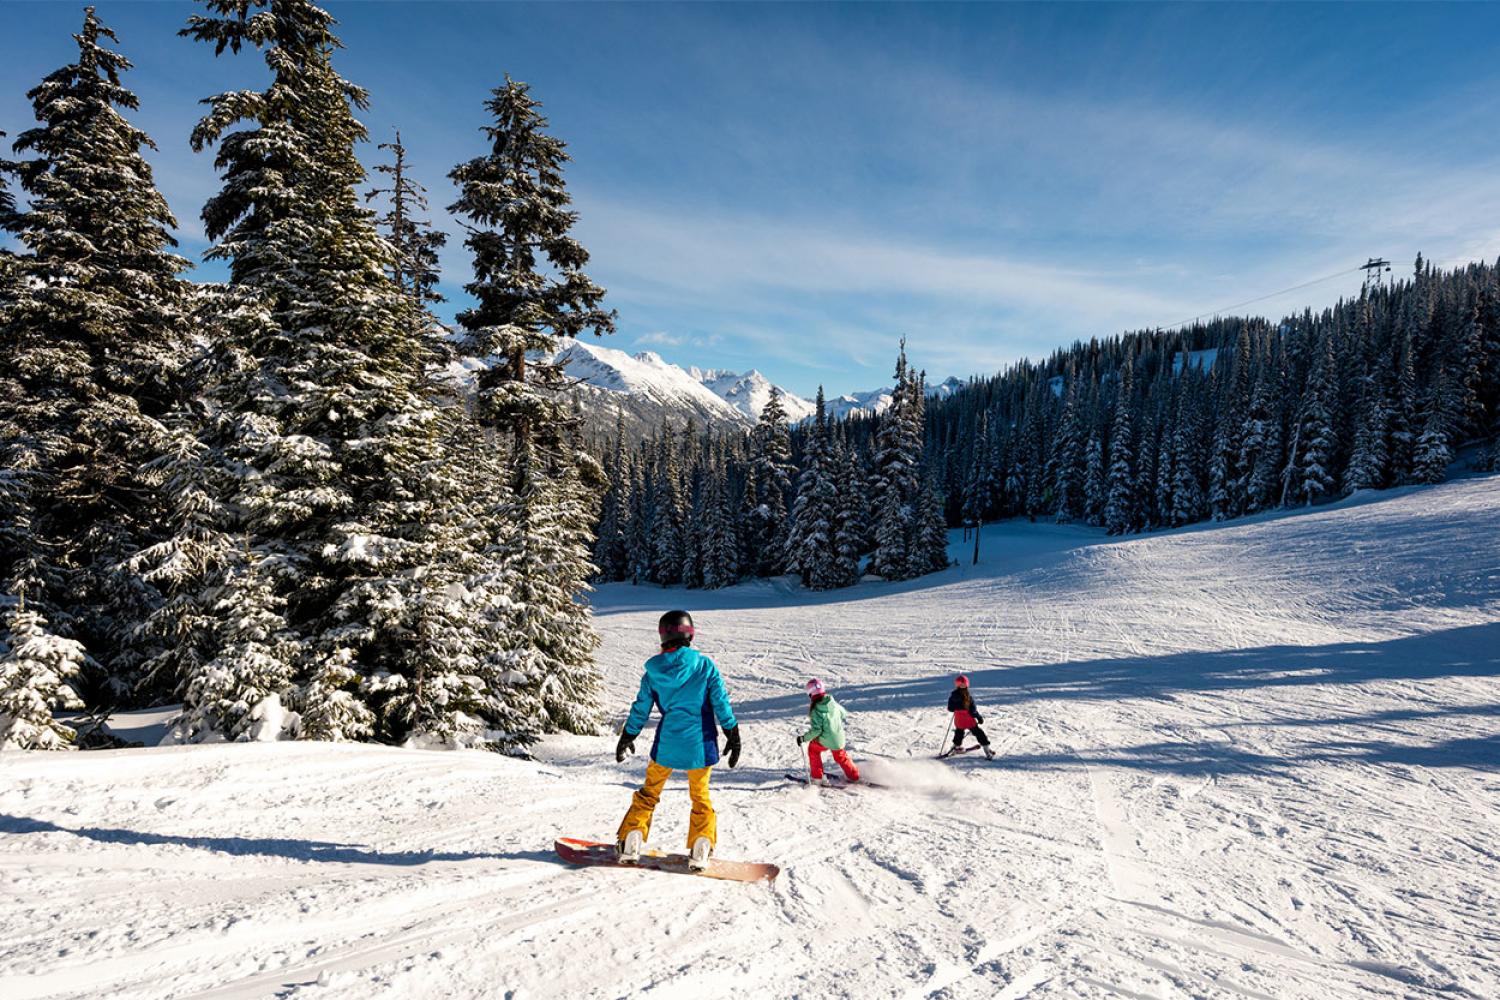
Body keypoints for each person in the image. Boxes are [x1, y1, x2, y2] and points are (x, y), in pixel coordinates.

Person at [615, 610, 740, 871]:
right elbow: (721, 703)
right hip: (700, 744)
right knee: (700, 797)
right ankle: (701, 847)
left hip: (667, 743)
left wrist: (629, 734)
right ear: (690, 634)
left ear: (663, 635)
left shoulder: (653, 673)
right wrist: (732, 732)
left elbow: (641, 707)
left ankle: (631, 840)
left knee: (649, 793)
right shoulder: (705, 666)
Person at [798, 679, 860, 785]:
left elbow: (816, 731)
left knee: (813, 750)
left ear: (810, 694)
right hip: (838, 738)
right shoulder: (832, 702)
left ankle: (817, 777)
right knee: (840, 756)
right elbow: (844, 713)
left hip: (825, 740)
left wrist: (803, 738)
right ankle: (854, 776)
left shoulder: (816, 709)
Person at [946, 674, 995, 759]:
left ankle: (956, 747)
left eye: (963, 684)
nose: (963, 686)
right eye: (962, 684)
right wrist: (978, 717)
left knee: (959, 732)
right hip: (968, 719)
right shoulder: (968, 697)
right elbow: (973, 710)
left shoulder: (953, 695)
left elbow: (950, 708)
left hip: (959, 719)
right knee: (979, 733)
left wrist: (956, 708)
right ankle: (987, 751)